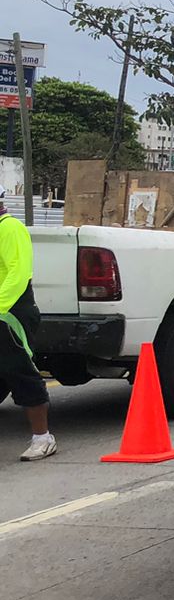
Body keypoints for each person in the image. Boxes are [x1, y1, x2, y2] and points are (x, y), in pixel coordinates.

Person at [0, 191, 56, 461]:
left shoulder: (10, 228)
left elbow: (18, 273)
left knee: (20, 371)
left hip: (10, 314)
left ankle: (42, 438)